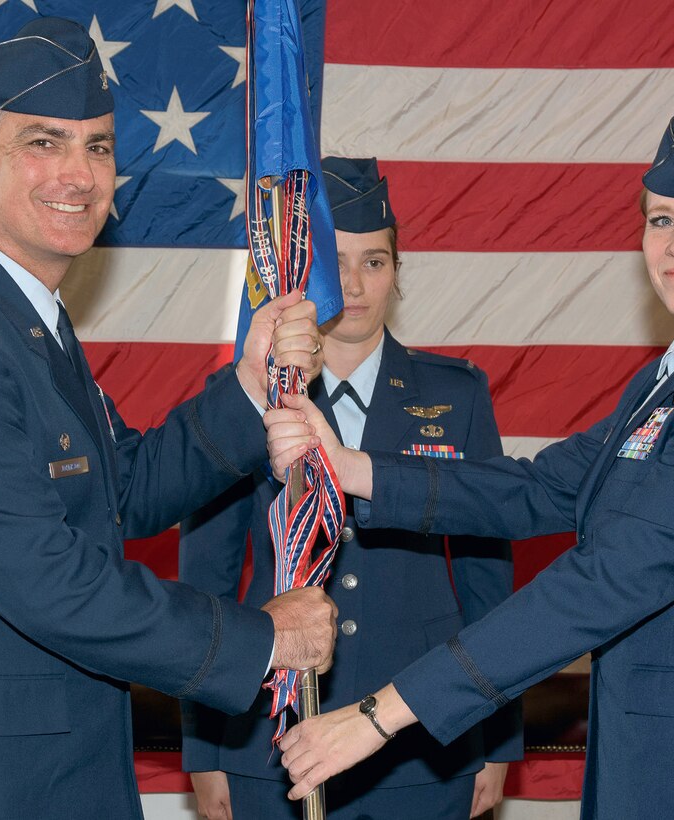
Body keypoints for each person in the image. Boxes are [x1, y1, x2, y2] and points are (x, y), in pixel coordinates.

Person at [270, 98, 674, 819]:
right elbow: (537, 489)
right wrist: (350, 468)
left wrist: (382, 714)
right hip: (654, 760)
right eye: (662, 218)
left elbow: (606, 581)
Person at [0, 17, 336, 820]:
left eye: (97, 147)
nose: (78, 174)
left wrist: (245, 385)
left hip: (56, 779)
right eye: (44, 142)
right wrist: (260, 639)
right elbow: (48, 580)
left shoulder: (18, 323)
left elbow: (116, 488)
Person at [179, 157, 520, 819]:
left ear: (397, 271)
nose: (359, 286)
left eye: (376, 261)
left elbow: (488, 583)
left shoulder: (457, 396)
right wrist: (203, 748)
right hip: (270, 738)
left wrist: (498, 739)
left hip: (421, 735)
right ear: (305, 275)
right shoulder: (248, 398)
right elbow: (206, 585)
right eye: (338, 263)